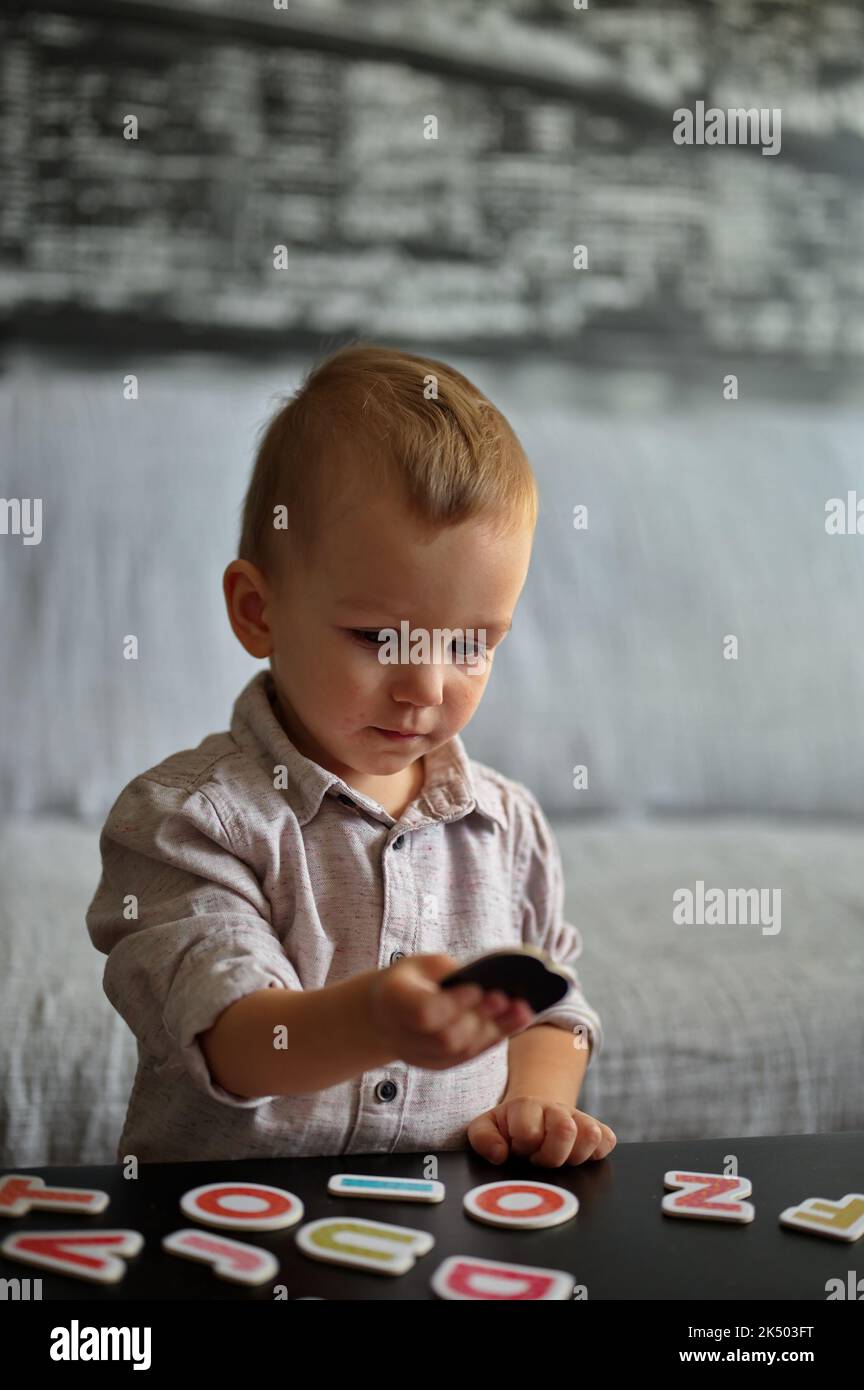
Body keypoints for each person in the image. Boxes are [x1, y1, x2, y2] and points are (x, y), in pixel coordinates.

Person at [85, 341, 615, 1168]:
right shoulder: (188, 822)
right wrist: (373, 1022)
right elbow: (231, 1039)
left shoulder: (506, 828)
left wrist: (534, 1106)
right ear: (259, 611)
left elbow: (551, 1008)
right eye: (378, 637)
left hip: (438, 1235)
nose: (425, 686)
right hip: (223, 1232)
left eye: (472, 643)